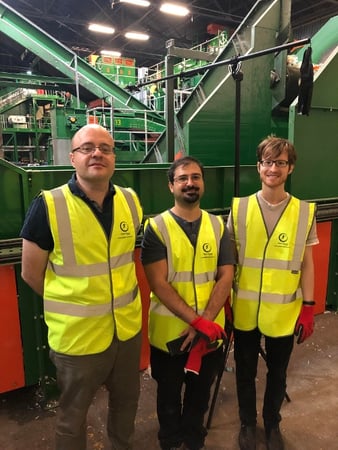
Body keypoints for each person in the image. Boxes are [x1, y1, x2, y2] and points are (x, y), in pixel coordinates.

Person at [20, 124, 143, 450]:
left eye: (105, 148)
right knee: (72, 418)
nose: (97, 154)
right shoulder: (49, 206)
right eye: (87, 148)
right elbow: (31, 274)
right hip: (76, 340)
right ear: (72, 158)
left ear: (114, 157)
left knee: (127, 405)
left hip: (126, 333)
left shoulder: (131, 202)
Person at [227, 136, 318, 450]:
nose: (273, 168)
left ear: (290, 168)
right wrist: (223, 302)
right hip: (244, 311)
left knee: (278, 374)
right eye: (268, 161)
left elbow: (307, 264)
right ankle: (247, 424)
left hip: (283, 313)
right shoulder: (239, 208)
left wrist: (308, 306)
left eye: (280, 162)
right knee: (245, 372)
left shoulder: (304, 212)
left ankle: (272, 423)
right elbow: (228, 264)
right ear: (258, 167)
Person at [141, 156, 235, 450]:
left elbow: (226, 276)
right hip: (171, 336)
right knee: (168, 398)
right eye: (182, 178)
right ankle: (169, 441)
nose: (190, 183)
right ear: (171, 186)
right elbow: (158, 283)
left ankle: (194, 439)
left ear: (203, 183)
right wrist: (197, 322)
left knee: (199, 396)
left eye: (196, 177)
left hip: (209, 336)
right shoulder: (156, 227)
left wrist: (206, 321)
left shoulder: (218, 226)